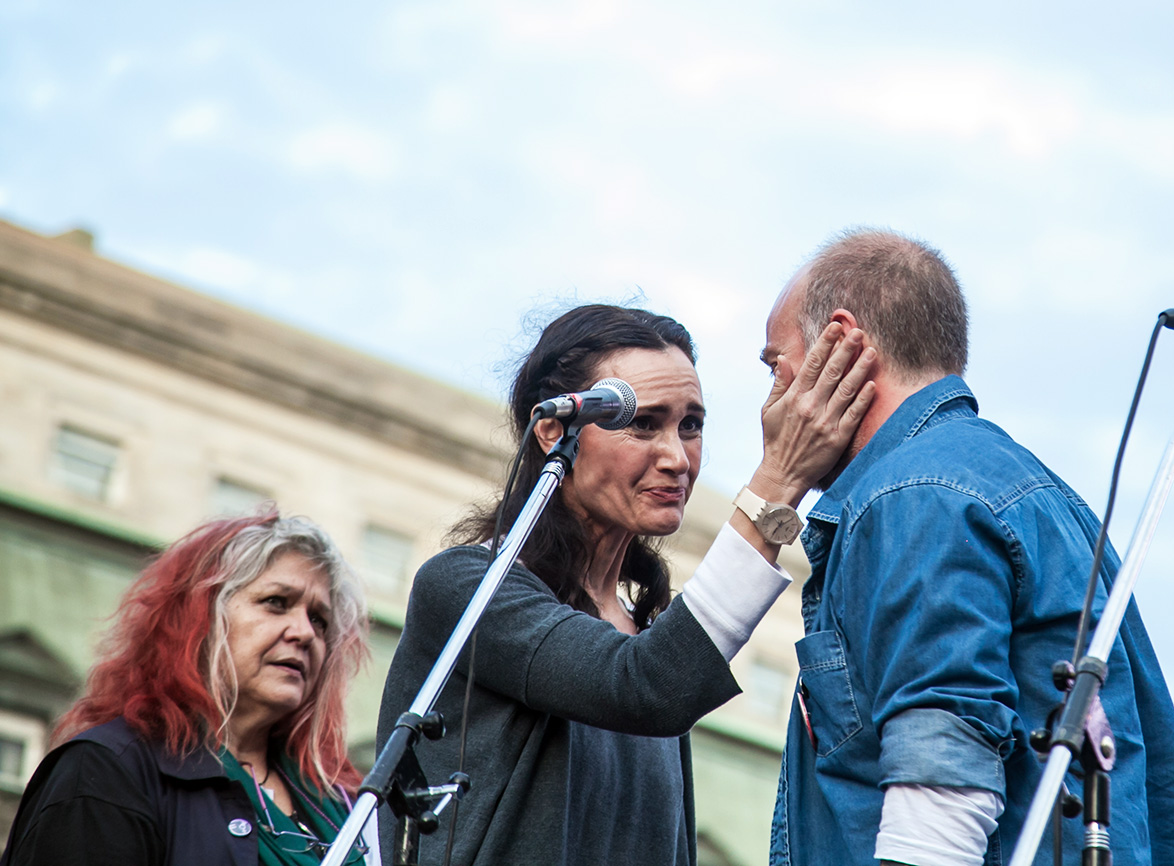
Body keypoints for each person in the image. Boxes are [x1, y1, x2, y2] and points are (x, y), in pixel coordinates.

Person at [765, 229, 1174, 866]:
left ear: (840, 346)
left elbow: (941, 791)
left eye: (775, 367)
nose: (770, 402)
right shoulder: (1024, 489)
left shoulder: (915, 498)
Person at [378, 303, 876, 865]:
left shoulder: (644, 633)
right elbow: (646, 686)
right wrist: (779, 480)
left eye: (690, 425)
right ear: (553, 432)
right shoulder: (468, 586)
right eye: (642, 423)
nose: (676, 458)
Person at [0, 510, 380, 866]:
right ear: (201, 618)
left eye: (319, 620)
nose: (304, 632)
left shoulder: (346, 803)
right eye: (276, 602)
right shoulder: (105, 769)